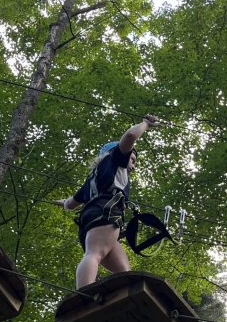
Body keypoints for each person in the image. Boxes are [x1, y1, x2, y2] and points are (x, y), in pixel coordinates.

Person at [55, 115, 158, 288]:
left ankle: (124, 298)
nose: (134, 164)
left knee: (124, 272)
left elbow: (70, 204)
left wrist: (61, 201)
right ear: (116, 152)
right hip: (105, 215)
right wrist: (145, 124)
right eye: (132, 158)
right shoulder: (116, 159)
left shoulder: (93, 179)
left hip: (93, 220)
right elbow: (130, 137)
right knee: (94, 254)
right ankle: (84, 293)